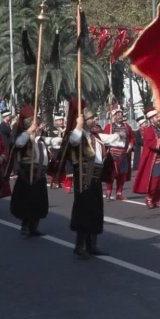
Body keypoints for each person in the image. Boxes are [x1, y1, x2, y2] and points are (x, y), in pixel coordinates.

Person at [68, 110, 113, 259]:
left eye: (94, 117)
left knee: (96, 211)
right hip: (84, 178)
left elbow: (114, 139)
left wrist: (121, 135)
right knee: (83, 210)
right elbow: (73, 141)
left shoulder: (96, 137)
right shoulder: (78, 135)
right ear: (84, 120)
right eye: (91, 118)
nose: (95, 120)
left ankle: (93, 245)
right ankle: (80, 245)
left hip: (96, 178)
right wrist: (79, 126)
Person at [9, 110, 50, 237]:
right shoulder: (25, 139)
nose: (39, 127)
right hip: (28, 175)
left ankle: (34, 226)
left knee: (39, 202)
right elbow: (18, 143)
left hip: (40, 175)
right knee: (28, 202)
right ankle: (25, 225)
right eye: (37, 125)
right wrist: (28, 131)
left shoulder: (41, 140)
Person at [133, 109, 160, 208]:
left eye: (158, 117)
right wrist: (159, 140)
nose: (158, 119)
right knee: (155, 180)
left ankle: (156, 200)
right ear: (151, 119)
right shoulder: (148, 130)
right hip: (154, 159)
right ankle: (149, 198)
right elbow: (149, 143)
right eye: (156, 117)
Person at [102, 107, 134, 200]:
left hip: (123, 153)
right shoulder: (109, 127)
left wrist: (131, 145)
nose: (120, 116)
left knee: (122, 174)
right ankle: (108, 191)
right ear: (114, 116)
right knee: (111, 174)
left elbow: (132, 137)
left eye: (121, 114)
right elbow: (104, 139)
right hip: (112, 154)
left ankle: (119, 193)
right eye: (117, 114)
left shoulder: (127, 127)